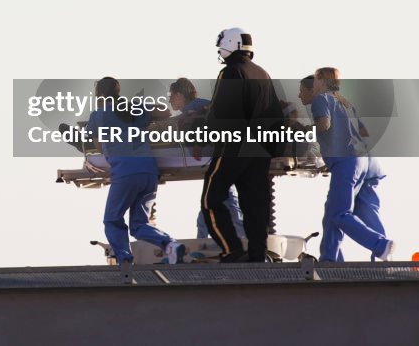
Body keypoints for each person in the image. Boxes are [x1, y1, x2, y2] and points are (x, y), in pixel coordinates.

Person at [200, 28, 282, 263]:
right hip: (261, 149)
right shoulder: (263, 74)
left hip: (234, 146)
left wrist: (204, 136)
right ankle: (257, 255)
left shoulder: (230, 72)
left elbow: (220, 112)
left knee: (211, 198)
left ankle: (231, 248)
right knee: (254, 205)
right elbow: (275, 114)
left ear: (230, 45)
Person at [89, 77, 185, 264]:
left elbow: (99, 147)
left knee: (112, 219)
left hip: (125, 172)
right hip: (148, 171)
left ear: (99, 94)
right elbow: (165, 111)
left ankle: (124, 257)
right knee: (140, 224)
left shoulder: (98, 114)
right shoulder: (134, 106)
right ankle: (170, 245)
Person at [311, 67, 392, 262]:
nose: (312, 84)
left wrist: (303, 132)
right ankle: (330, 260)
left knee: (339, 213)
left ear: (322, 80)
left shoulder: (321, 99)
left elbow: (324, 125)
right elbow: (364, 132)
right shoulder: (346, 102)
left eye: (314, 80)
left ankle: (380, 246)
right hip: (365, 160)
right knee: (347, 210)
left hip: (347, 163)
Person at [169, 77, 244, 241]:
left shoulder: (194, 110)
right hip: (221, 156)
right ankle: (202, 238)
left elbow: (207, 124)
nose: (169, 99)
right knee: (213, 200)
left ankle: (243, 238)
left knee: (224, 199)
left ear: (180, 95)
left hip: (217, 157)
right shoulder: (196, 108)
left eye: (171, 95)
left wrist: (199, 144)